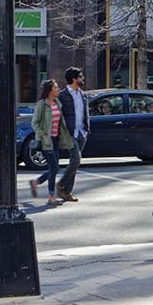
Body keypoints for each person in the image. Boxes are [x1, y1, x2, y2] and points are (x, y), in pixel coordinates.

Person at [28, 78, 65, 205]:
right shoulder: (41, 105)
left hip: (56, 139)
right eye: (55, 88)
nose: (58, 89)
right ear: (49, 91)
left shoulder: (58, 103)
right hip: (46, 141)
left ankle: (36, 182)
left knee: (54, 167)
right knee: (54, 167)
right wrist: (43, 134)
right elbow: (35, 123)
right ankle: (51, 197)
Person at [57, 67, 90, 203]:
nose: (83, 79)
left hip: (82, 132)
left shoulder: (83, 94)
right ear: (74, 79)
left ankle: (66, 192)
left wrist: (87, 128)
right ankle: (61, 184)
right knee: (76, 159)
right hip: (70, 133)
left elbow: (85, 112)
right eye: (81, 77)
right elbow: (59, 114)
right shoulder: (63, 95)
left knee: (74, 163)